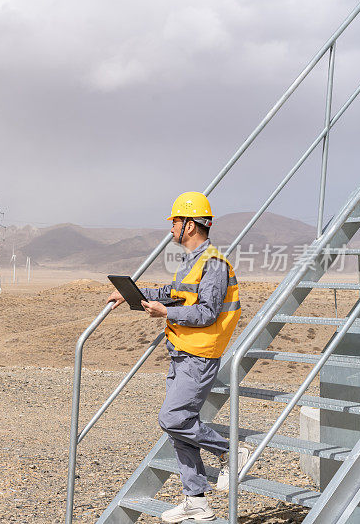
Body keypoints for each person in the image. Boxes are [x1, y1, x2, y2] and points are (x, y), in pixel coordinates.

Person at [107, 191, 248, 523]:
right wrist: (134, 293)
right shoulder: (193, 262)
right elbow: (172, 295)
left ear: (189, 224)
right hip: (182, 353)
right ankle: (196, 499)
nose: (170, 227)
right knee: (178, 427)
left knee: (174, 419)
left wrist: (166, 315)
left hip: (199, 355)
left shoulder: (213, 264)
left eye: (174, 221)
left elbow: (207, 313)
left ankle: (232, 451)